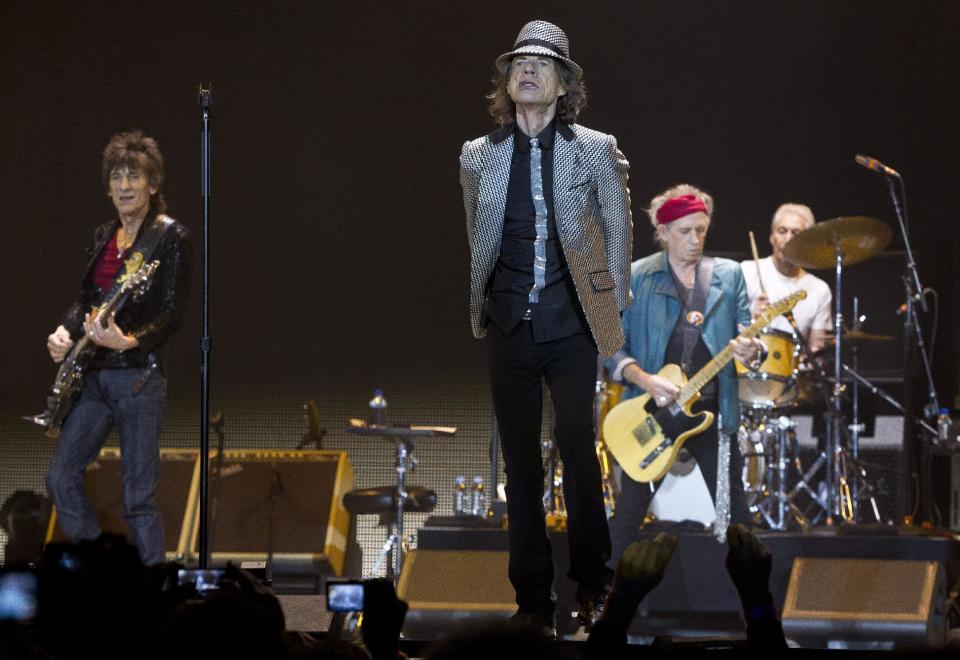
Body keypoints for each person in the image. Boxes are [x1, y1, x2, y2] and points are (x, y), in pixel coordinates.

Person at [460, 20, 633, 634]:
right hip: (509, 324)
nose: (527, 72)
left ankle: (594, 580)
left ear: (564, 83)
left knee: (578, 447)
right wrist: (485, 306)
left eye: (541, 65)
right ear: (506, 83)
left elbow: (616, 236)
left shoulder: (594, 148)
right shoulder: (478, 156)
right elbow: (481, 237)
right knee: (520, 465)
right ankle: (532, 599)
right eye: (518, 65)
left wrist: (606, 321)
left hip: (570, 326)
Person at [44, 130, 191, 567]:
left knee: (138, 499)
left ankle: (152, 597)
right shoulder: (102, 237)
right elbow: (88, 299)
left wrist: (131, 340)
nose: (125, 186)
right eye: (118, 177)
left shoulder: (170, 238)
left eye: (135, 177)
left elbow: (173, 312)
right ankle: (102, 574)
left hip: (138, 378)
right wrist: (65, 330)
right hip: (94, 376)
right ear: (107, 186)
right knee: (59, 476)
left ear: (153, 185)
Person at [606, 185, 759, 562]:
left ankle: (753, 605)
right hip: (653, 411)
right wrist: (644, 379)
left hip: (711, 412)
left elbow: (748, 332)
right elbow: (607, 343)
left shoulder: (728, 274)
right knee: (626, 516)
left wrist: (752, 350)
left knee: (736, 513)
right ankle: (597, 604)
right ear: (663, 232)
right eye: (684, 231)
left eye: (701, 230)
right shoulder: (637, 277)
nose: (695, 240)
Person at [741, 203, 832, 353]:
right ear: (771, 237)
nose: (788, 238)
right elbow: (723, 332)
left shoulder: (819, 289)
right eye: (782, 231)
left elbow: (817, 352)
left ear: (807, 242)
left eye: (796, 233)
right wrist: (751, 317)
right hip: (746, 370)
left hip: (790, 373)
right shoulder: (747, 271)